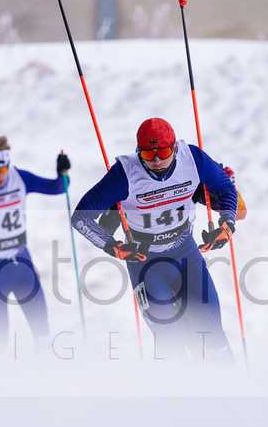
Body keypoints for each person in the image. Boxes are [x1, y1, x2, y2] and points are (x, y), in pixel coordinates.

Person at [71, 117, 239, 361]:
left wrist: (227, 224)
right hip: (145, 263)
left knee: (211, 331)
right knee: (169, 343)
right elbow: (80, 218)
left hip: (185, 254)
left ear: (175, 148)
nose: (157, 161)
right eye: (149, 155)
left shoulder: (193, 159)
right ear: (139, 152)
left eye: (163, 152)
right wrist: (113, 247)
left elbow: (226, 188)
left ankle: (230, 392)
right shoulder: (124, 175)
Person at [0, 136, 71, 353]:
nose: (0, 175)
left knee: (42, 330)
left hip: (22, 263)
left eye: (4, 168)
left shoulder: (20, 177)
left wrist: (63, 172)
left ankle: (48, 380)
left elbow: (58, 188)